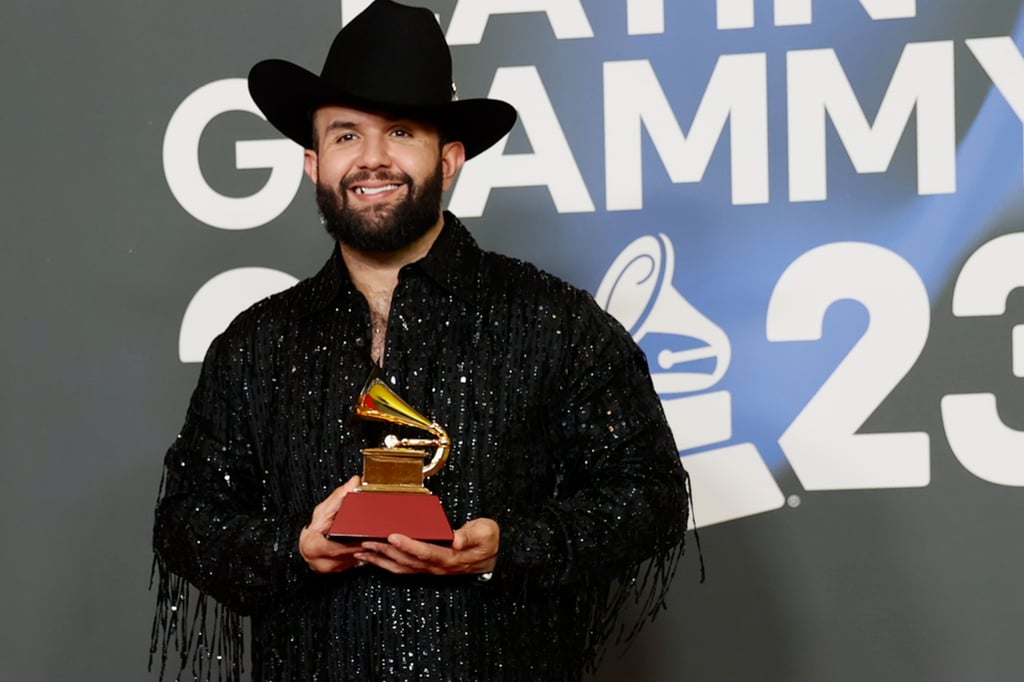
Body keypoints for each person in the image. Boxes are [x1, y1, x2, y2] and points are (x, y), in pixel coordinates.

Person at [151, 1, 691, 680]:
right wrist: (295, 550)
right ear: (313, 164)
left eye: (400, 131)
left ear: (451, 158)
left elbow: (651, 496)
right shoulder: (255, 344)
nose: (372, 159)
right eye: (346, 136)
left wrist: (507, 547)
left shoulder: (558, 322)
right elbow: (186, 518)